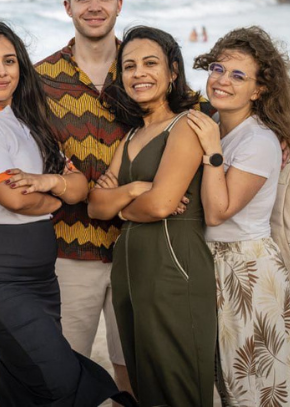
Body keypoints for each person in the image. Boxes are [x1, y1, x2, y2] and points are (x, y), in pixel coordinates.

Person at [0, 21, 134, 406]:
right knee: (57, 373)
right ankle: (117, 399)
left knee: (22, 377)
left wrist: (47, 183)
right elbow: (14, 200)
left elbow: (81, 186)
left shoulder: (28, 121)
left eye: (9, 61)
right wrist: (58, 194)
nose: (1, 71)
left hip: (41, 277)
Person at [87, 25, 216, 406]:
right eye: (129, 66)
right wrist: (133, 191)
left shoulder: (186, 125)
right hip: (130, 273)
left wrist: (121, 205)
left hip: (173, 269)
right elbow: (96, 207)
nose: (138, 73)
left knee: (179, 384)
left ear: (173, 71)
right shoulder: (130, 136)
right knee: (146, 387)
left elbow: (161, 206)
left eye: (150, 63)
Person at [33, 0, 132, 394]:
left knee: (133, 370)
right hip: (69, 251)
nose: (95, 6)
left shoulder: (146, 69)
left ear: (119, 4)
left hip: (138, 247)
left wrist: (276, 129)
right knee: (64, 371)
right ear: (67, 6)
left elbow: (211, 112)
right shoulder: (39, 80)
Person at [187, 27, 290, 404]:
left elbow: (217, 211)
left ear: (258, 90)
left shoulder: (258, 140)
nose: (222, 81)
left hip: (248, 270)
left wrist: (212, 151)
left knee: (257, 389)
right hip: (212, 265)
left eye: (238, 75)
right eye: (217, 68)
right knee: (226, 384)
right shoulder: (213, 125)